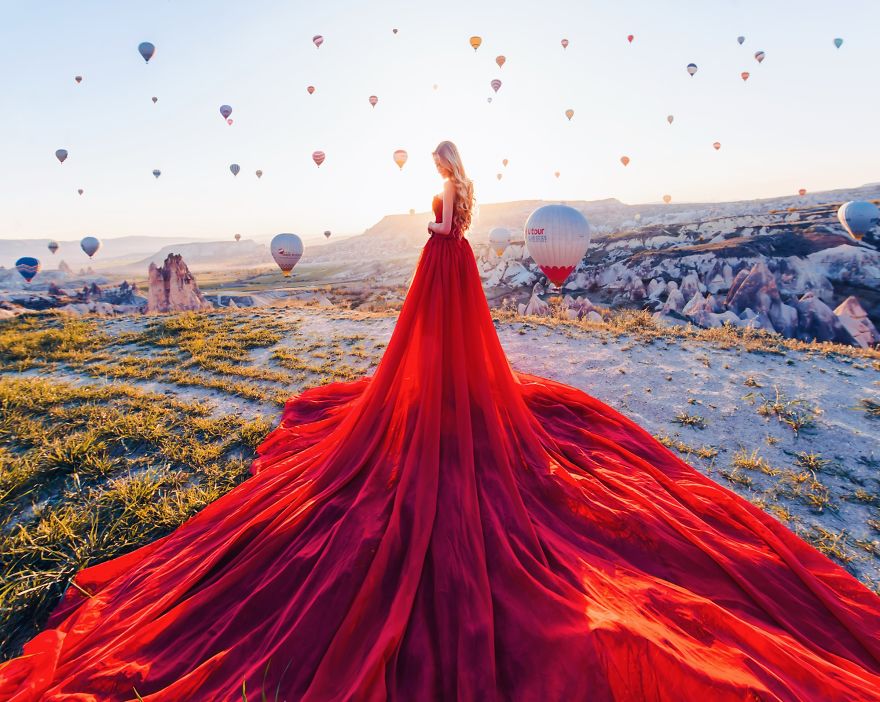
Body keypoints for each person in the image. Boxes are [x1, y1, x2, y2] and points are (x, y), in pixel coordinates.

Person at [1, 140, 879, 701]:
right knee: (447, 372)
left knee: (422, 408)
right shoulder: (460, 203)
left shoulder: (453, 209)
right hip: (446, 281)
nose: (440, 172)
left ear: (449, 175)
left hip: (442, 278)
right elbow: (450, 228)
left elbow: (446, 230)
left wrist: (440, 226)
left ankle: (443, 405)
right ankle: (449, 401)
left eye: (442, 167)